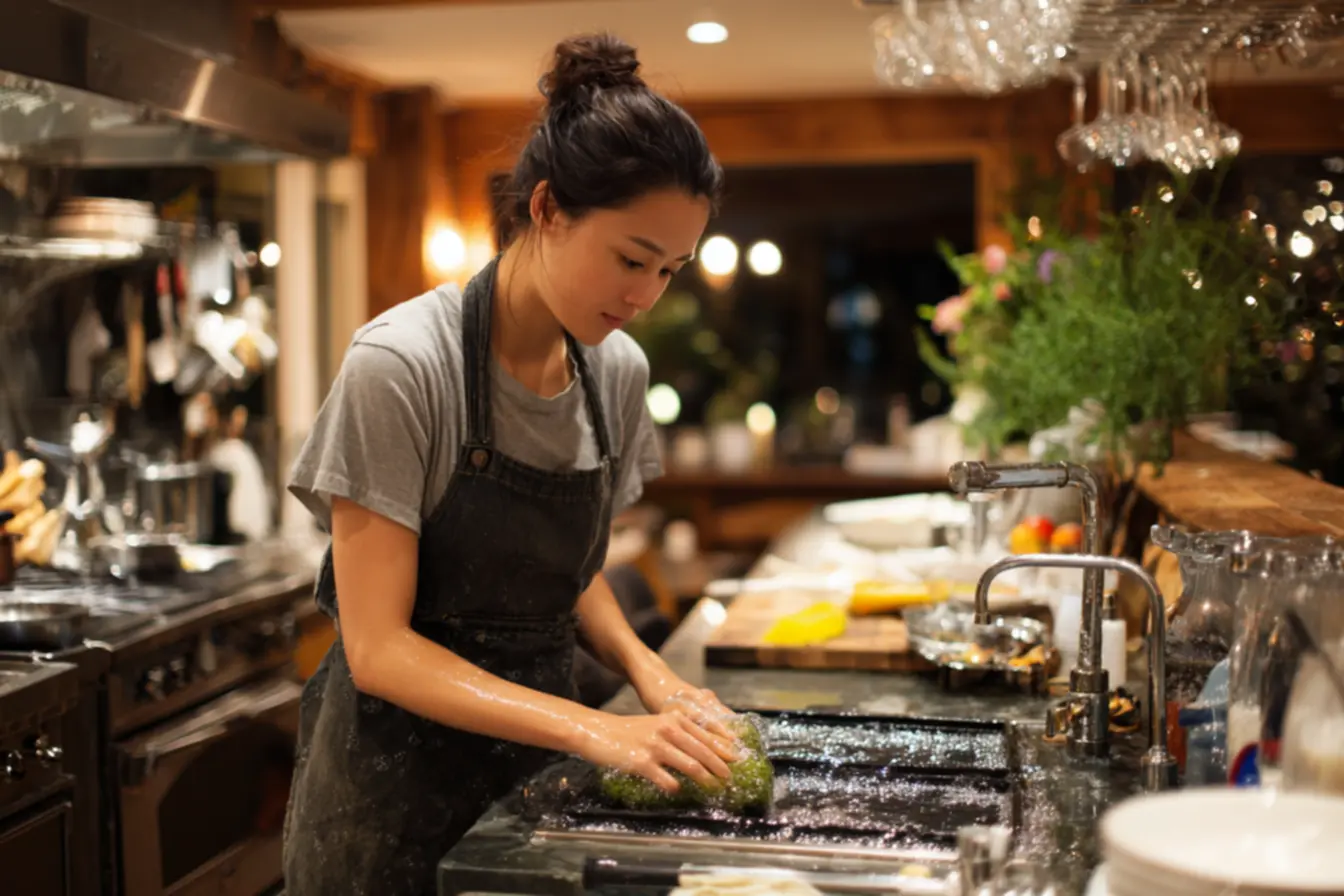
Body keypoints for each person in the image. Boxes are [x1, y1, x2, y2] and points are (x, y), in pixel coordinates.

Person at [281, 32, 739, 896]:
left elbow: (560, 570)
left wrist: (651, 676)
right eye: (631, 258)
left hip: (538, 787)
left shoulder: (618, 373)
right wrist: (594, 730)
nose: (645, 296)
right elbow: (377, 648)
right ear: (547, 211)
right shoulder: (402, 367)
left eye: (670, 271)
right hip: (387, 801)